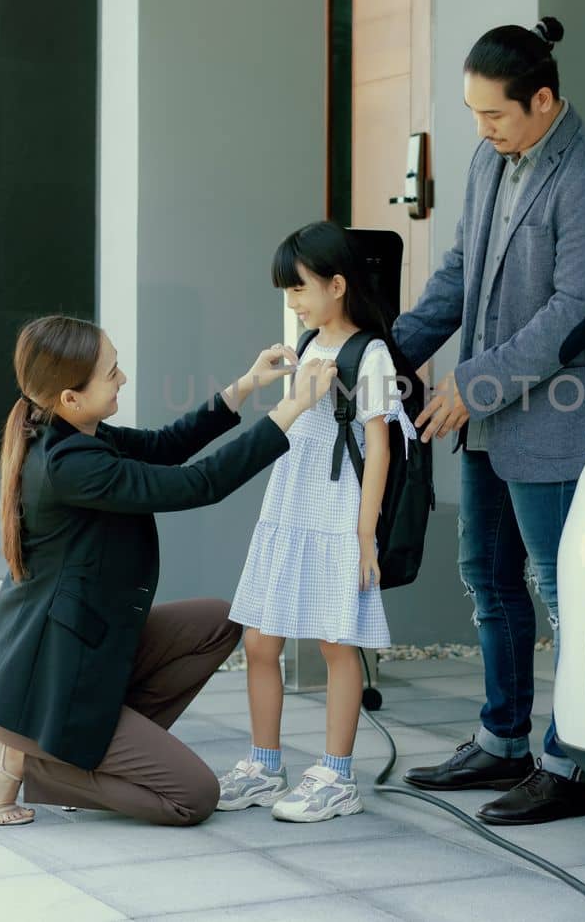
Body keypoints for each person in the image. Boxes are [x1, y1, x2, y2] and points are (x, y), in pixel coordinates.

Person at [393, 17, 585, 825]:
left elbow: (581, 315)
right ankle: (502, 740)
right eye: (474, 115)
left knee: (564, 594)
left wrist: (474, 381)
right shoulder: (489, 159)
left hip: (554, 425)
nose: (482, 129)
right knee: (489, 582)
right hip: (488, 420)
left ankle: (567, 766)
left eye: (494, 115)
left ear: (543, 100)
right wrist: (391, 349)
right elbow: (461, 267)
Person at [0, 314, 336, 827]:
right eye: (111, 372)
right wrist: (293, 408)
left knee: (219, 621)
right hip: (44, 690)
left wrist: (246, 386)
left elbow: (164, 446)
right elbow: (196, 485)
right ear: (70, 397)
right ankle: (31, 762)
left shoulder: (72, 431)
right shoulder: (70, 465)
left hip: (77, 655)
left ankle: (79, 750)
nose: (122, 378)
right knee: (193, 798)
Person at [217, 222, 419, 822]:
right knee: (259, 638)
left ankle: (336, 777)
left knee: (336, 642)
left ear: (337, 285)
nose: (292, 301)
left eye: (299, 288)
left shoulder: (371, 353)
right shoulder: (307, 345)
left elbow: (378, 446)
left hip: (335, 509)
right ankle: (263, 764)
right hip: (288, 501)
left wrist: (365, 533)